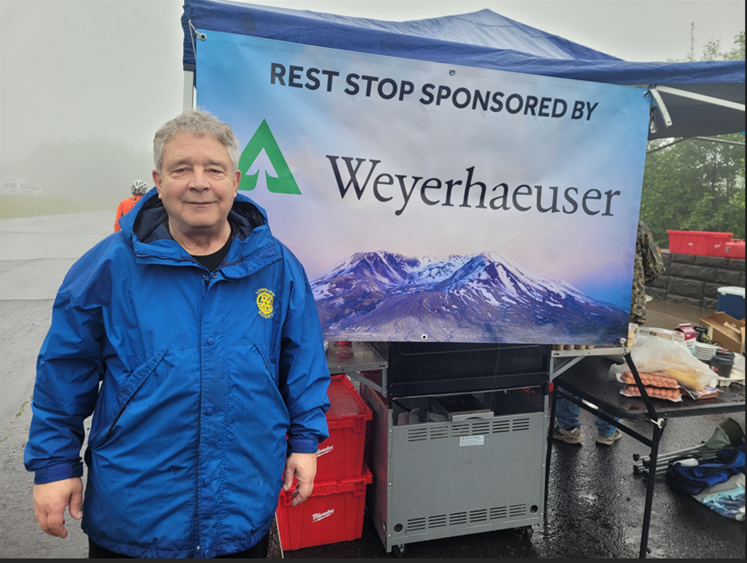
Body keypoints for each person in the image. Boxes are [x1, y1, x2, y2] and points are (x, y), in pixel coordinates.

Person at [24, 108, 331, 558]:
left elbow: (302, 360)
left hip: (240, 504)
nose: (199, 182)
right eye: (181, 169)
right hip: (136, 511)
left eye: (214, 169)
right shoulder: (107, 267)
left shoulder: (277, 265)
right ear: (158, 179)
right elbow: (64, 371)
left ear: (235, 179)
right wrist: (54, 465)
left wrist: (305, 442)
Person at [553, 219, 665, 446]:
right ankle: (607, 430)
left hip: (581, 300)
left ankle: (568, 428)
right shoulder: (635, 223)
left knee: (570, 364)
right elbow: (655, 268)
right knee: (613, 367)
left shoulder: (577, 218)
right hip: (624, 307)